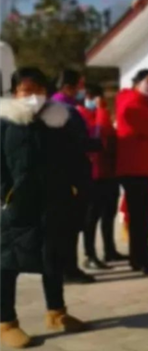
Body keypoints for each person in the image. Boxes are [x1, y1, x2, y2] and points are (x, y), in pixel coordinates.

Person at [1, 68, 87, 348]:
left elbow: (76, 157)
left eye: (38, 90)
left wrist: (76, 187)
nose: (33, 96)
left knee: (53, 258)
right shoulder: (5, 122)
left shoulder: (58, 121)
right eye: (26, 90)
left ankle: (56, 312)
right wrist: (6, 195)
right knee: (7, 263)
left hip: (54, 201)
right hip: (16, 205)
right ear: (15, 92)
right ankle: (6, 322)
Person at [116, 69, 148, 275]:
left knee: (141, 216)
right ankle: (141, 259)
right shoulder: (132, 104)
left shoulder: (142, 103)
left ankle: (141, 255)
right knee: (139, 217)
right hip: (134, 168)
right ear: (137, 82)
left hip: (140, 166)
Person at [52, 69, 96, 284]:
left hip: (59, 174)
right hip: (72, 174)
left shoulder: (52, 106)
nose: (82, 90)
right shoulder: (66, 110)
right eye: (80, 86)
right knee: (71, 225)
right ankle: (69, 269)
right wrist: (97, 142)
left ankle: (63, 268)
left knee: (63, 226)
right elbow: (79, 142)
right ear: (69, 87)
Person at [77, 84, 125, 269]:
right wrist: (102, 110)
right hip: (94, 174)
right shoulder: (82, 114)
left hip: (109, 172)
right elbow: (102, 132)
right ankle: (90, 254)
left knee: (108, 214)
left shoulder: (97, 114)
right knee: (92, 217)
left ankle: (109, 250)